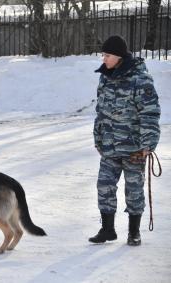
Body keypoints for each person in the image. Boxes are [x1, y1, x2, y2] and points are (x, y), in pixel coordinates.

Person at [90, 35, 161, 246]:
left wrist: (148, 144)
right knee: (104, 186)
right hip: (109, 147)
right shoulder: (105, 77)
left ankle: (133, 232)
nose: (104, 59)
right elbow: (100, 112)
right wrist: (98, 138)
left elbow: (150, 113)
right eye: (103, 54)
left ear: (119, 56)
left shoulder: (141, 80)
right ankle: (108, 230)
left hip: (134, 148)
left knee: (134, 190)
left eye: (107, 55)